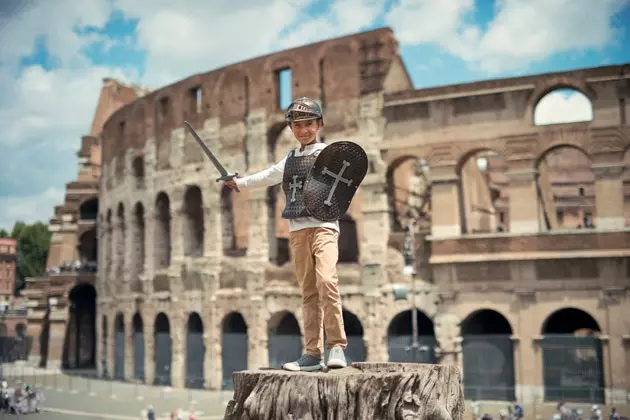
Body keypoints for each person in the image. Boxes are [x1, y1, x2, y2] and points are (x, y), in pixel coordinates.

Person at [224, 97, 347, 372]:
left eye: (309, 124)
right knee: (308, 292)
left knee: (327, 279)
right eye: (298, 125)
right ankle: (313, 354)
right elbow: (267, 176)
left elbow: (346, 183)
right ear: (292, 128)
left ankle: (337, 346)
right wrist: (239, 183)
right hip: (298, 229)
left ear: (319, 124)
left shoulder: (330, 154)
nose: (304, 130)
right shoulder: (290, 159)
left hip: (325, 226)